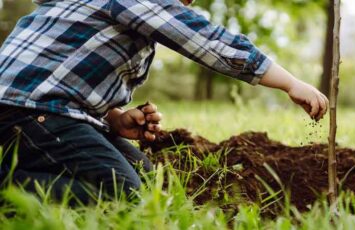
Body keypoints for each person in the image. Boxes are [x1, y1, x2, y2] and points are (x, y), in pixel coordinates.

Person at [0, 0, 328, 204]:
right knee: (124, 194)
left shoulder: (113, 13)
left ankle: (19, 171)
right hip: (24, 111)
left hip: (45, 112)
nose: (186, 6)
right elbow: (207, 40)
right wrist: (290, 82)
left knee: (144, 176)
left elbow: (64, 76)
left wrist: (114, 118)